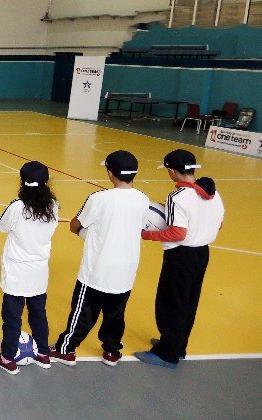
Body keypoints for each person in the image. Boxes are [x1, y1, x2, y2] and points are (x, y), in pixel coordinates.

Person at [50, 150, 149, 367]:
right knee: (115, 315)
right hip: (126, 270)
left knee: (83, 313)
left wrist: (82, 232)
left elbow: (75, 224)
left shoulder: (99, 199)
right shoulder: (143, 200)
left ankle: (65, 349)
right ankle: (112, 351)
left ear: (110, 173)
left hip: (97, 269)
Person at [135, 149, 224, 369]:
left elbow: (177, 233)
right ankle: (177, 344)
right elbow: (218, 223)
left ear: (172, 172)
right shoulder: (211, 192)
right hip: (202, 253)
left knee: (171, 303)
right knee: (189, 301)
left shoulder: (177, 197)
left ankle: (167, 354)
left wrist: (144, 234)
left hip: (180, 256)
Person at [0, 162, 58, 375]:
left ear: (22, 182)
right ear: (46, 182)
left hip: (17, 270)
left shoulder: (17, 207)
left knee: (12, 316)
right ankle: (44, 354)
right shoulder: (53, 205)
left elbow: (2, 226)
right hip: (39, 269)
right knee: (38, 313)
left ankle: (8, 357)